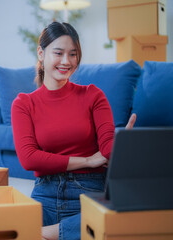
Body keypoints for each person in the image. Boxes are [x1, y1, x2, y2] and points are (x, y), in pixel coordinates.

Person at [11, 21, 136, 240]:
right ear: (41, 53)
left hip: (88, 191)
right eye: (58, 53)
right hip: (45, 193)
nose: (66, 61)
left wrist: (125, 143)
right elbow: (29, 159)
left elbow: (107, 149)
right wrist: (87, 160)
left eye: (73, 54)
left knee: (117, 214)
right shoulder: (24, 103)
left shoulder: (93, 95)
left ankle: (47, 234)